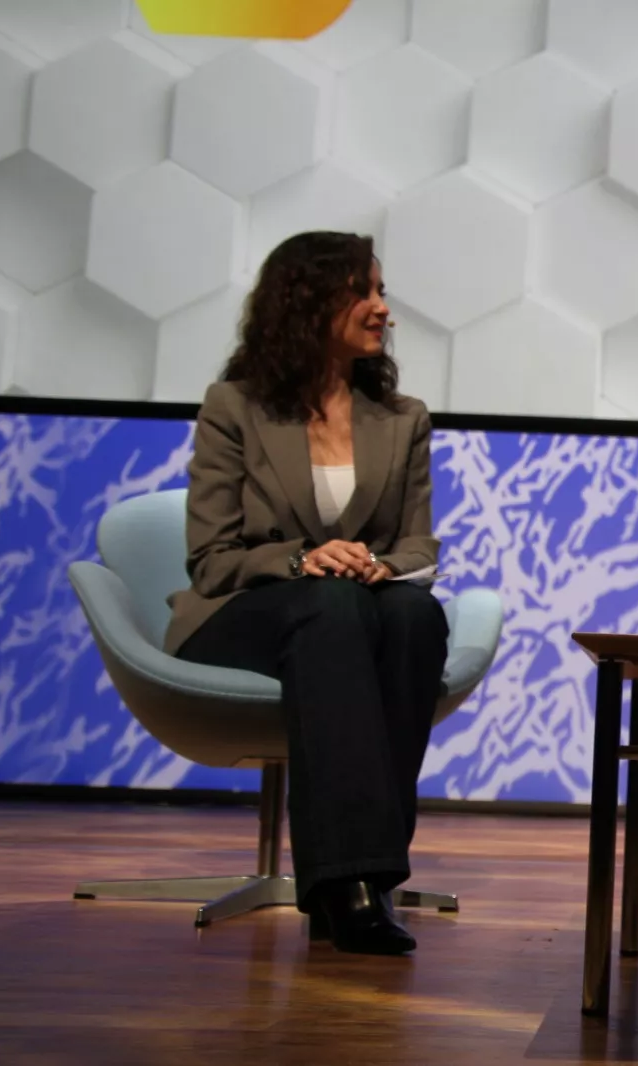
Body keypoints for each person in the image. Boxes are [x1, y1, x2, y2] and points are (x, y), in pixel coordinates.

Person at [163, 231, 449, 956]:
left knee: (415, 615)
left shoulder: (402, 418)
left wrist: (376, 567)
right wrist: (305, 560)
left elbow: (417, 545)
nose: (384, 309)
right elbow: (212, 558)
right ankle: (349, 883)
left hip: (352, 607)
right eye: (367, 291)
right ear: (309, 301)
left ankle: (359, 876)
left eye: (383, 292)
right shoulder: (235, 407)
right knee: (329, 606)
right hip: (239, 612)